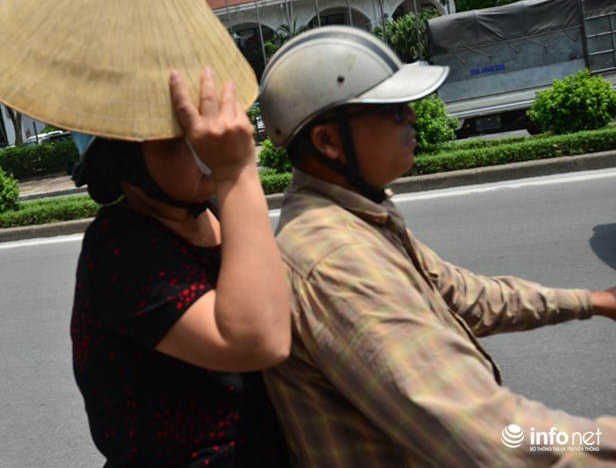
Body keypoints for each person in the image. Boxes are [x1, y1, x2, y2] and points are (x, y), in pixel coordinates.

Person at [258, 26, 616, 466]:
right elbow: (499, 436)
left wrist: (593, 301)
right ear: (329, 142)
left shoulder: (360, 215)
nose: (410, 115)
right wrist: (603, 441)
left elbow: (462, 296)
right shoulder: (338, 262)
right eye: (390, 108)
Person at [70, 68, 291, 466]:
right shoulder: (119, 248)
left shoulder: (214, 211)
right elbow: (259, 341)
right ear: (123, 158)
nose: (202, 145)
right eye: (178, 136)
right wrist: (237, 170)